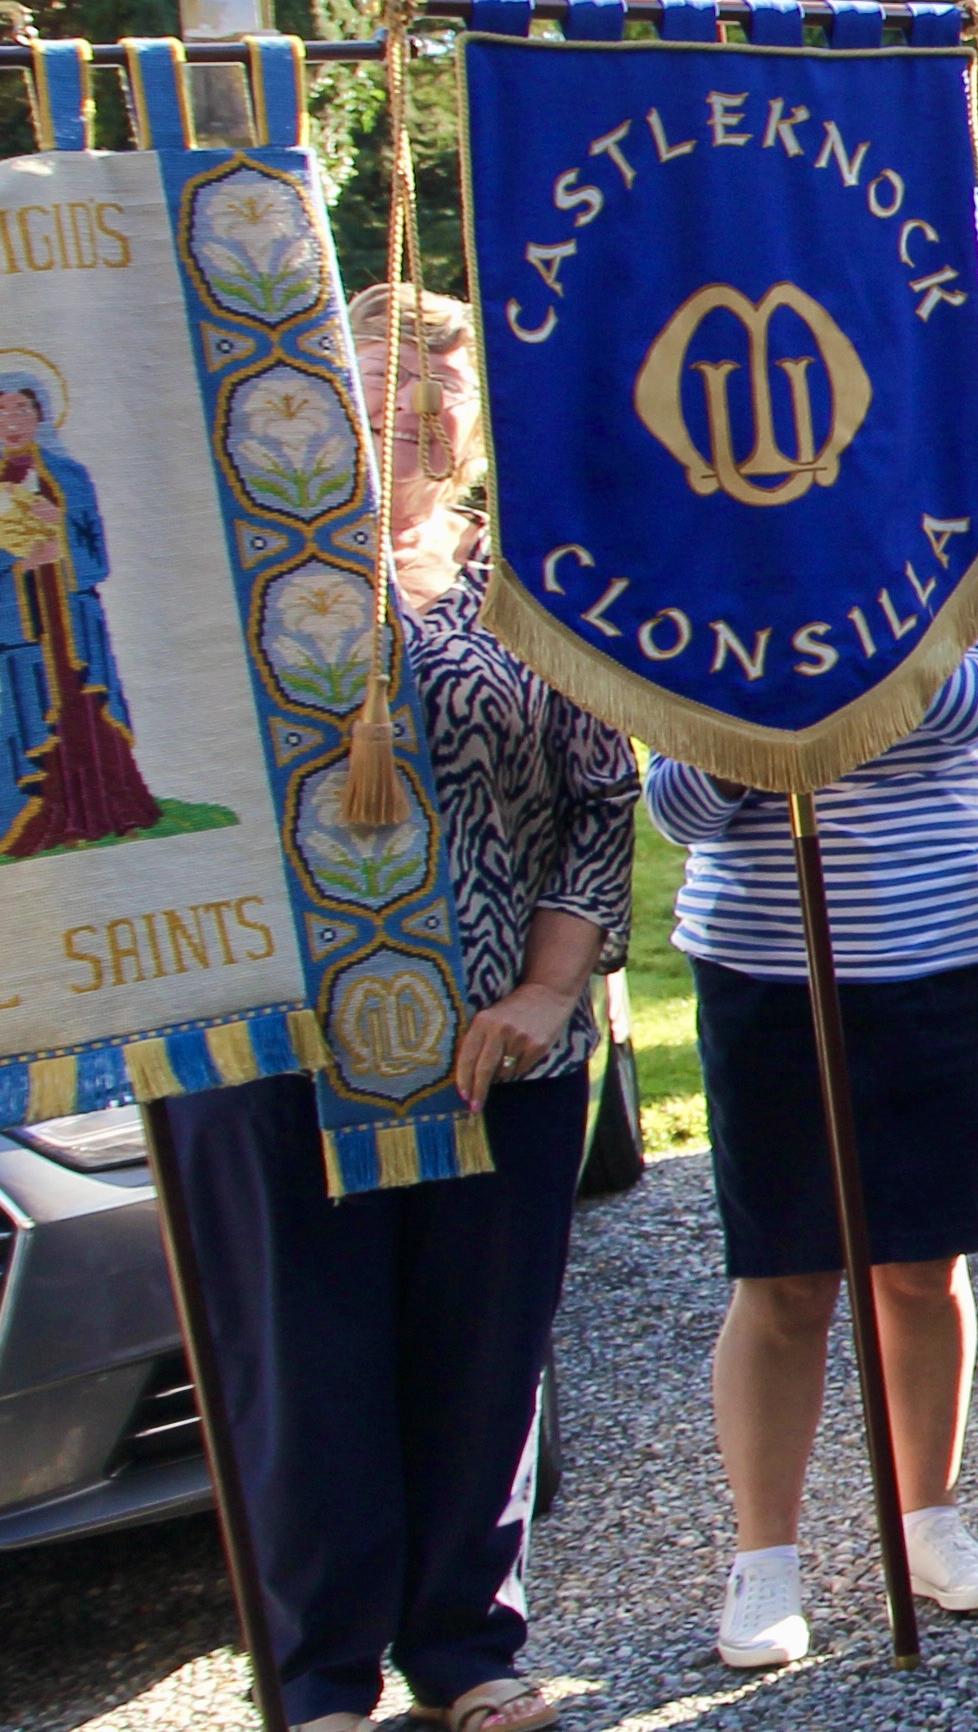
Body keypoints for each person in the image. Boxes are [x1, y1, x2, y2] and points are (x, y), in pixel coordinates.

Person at [171, 284, 632, 1732]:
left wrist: (553, 991)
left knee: (482, 1352)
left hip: (499, 1043)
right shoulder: (237, 574)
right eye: (383, 373)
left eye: (448, 382)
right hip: (288, 1050)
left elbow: (598, 801)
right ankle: (319, 1679)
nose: (420, 406)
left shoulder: (535, 576)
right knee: (308, 1362)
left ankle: (465, 1652)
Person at [646, 629, 978, 1666]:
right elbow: (679, 803)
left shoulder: (924, 550)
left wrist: (817, 692)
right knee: (787, 1275)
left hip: (941, 943)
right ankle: (764, 1559)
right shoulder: (700, 590)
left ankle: (929, 1523)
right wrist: (774, 719)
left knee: (923, 1262)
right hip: (768, 964)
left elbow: (976, 704)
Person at [0, 356, 158, 855]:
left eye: (23, 409)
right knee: (26, 714)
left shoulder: (70, 477)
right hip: (17, 630)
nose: (12, 421)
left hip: (72, 625)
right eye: (1, 411)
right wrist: (15, 558)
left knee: (84, 709)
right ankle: (34, 816)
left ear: (41, 415)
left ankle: (110, 809)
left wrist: (60, 538)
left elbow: (98, 559)